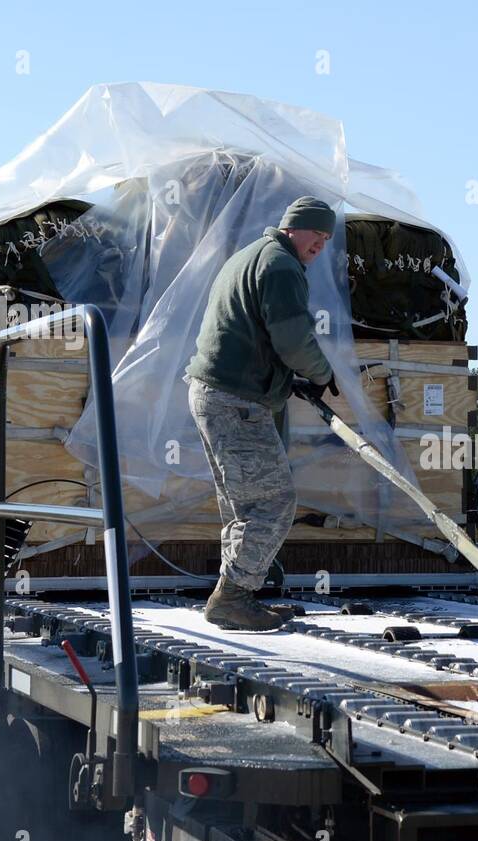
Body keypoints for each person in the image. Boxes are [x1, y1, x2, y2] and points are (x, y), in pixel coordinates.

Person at [184, 196, 341, 630]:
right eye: (317, 235)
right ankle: (234, 597)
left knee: (242, 504)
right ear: (295, 226)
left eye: (328, 239)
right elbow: (292, 338)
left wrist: (285, 380)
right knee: (273, 502)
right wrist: (322, 372)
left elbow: (250, 332)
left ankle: (236, 594)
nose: (320, 245)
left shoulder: (250, 256)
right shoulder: (282, 266)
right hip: (236, 401)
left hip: (214, 393)